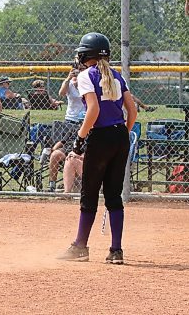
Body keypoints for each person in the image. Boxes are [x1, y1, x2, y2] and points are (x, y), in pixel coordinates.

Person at [58, 32, 137, 264]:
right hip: (121, 136)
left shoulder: (86, 75)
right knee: (113, 195)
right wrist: (122, 131)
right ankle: (116, 251)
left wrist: (80, 139)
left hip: (100, 137)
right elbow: (132, 112)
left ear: (85, 55)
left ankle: (80, 247)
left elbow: (93, 110)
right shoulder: (116, 76)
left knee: (89, 194)